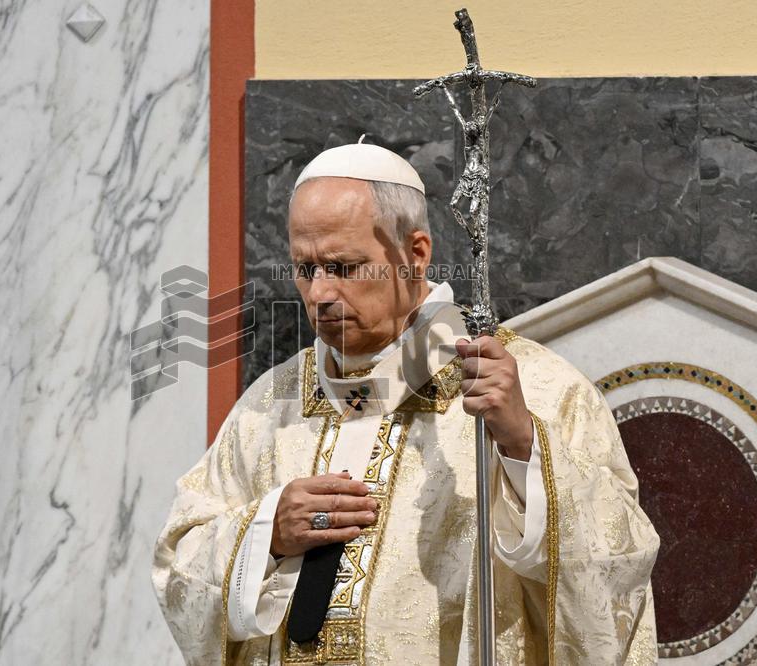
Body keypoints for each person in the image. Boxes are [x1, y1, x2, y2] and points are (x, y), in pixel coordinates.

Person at [152, 143, 660, 665]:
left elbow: (618, 564)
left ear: (415, 254)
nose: (319, 294)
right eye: (305, 269)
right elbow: (178, 564)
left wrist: (522, 446)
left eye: (344, 267)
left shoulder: (538, 390)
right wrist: (266, 533)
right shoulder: (269, 407)